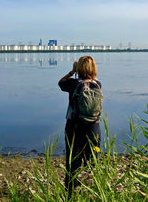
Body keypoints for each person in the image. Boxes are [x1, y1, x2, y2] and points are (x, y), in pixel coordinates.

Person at [58, 55, 102, 196]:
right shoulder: (98, 84)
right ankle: (91, 193)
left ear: (79, 68)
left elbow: (60, 83)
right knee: (92, 163)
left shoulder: (73, 84)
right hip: (94, 129)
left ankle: (71, 195)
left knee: (73, 164)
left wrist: (72, 71)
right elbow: (92, 80)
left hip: (75, 128)